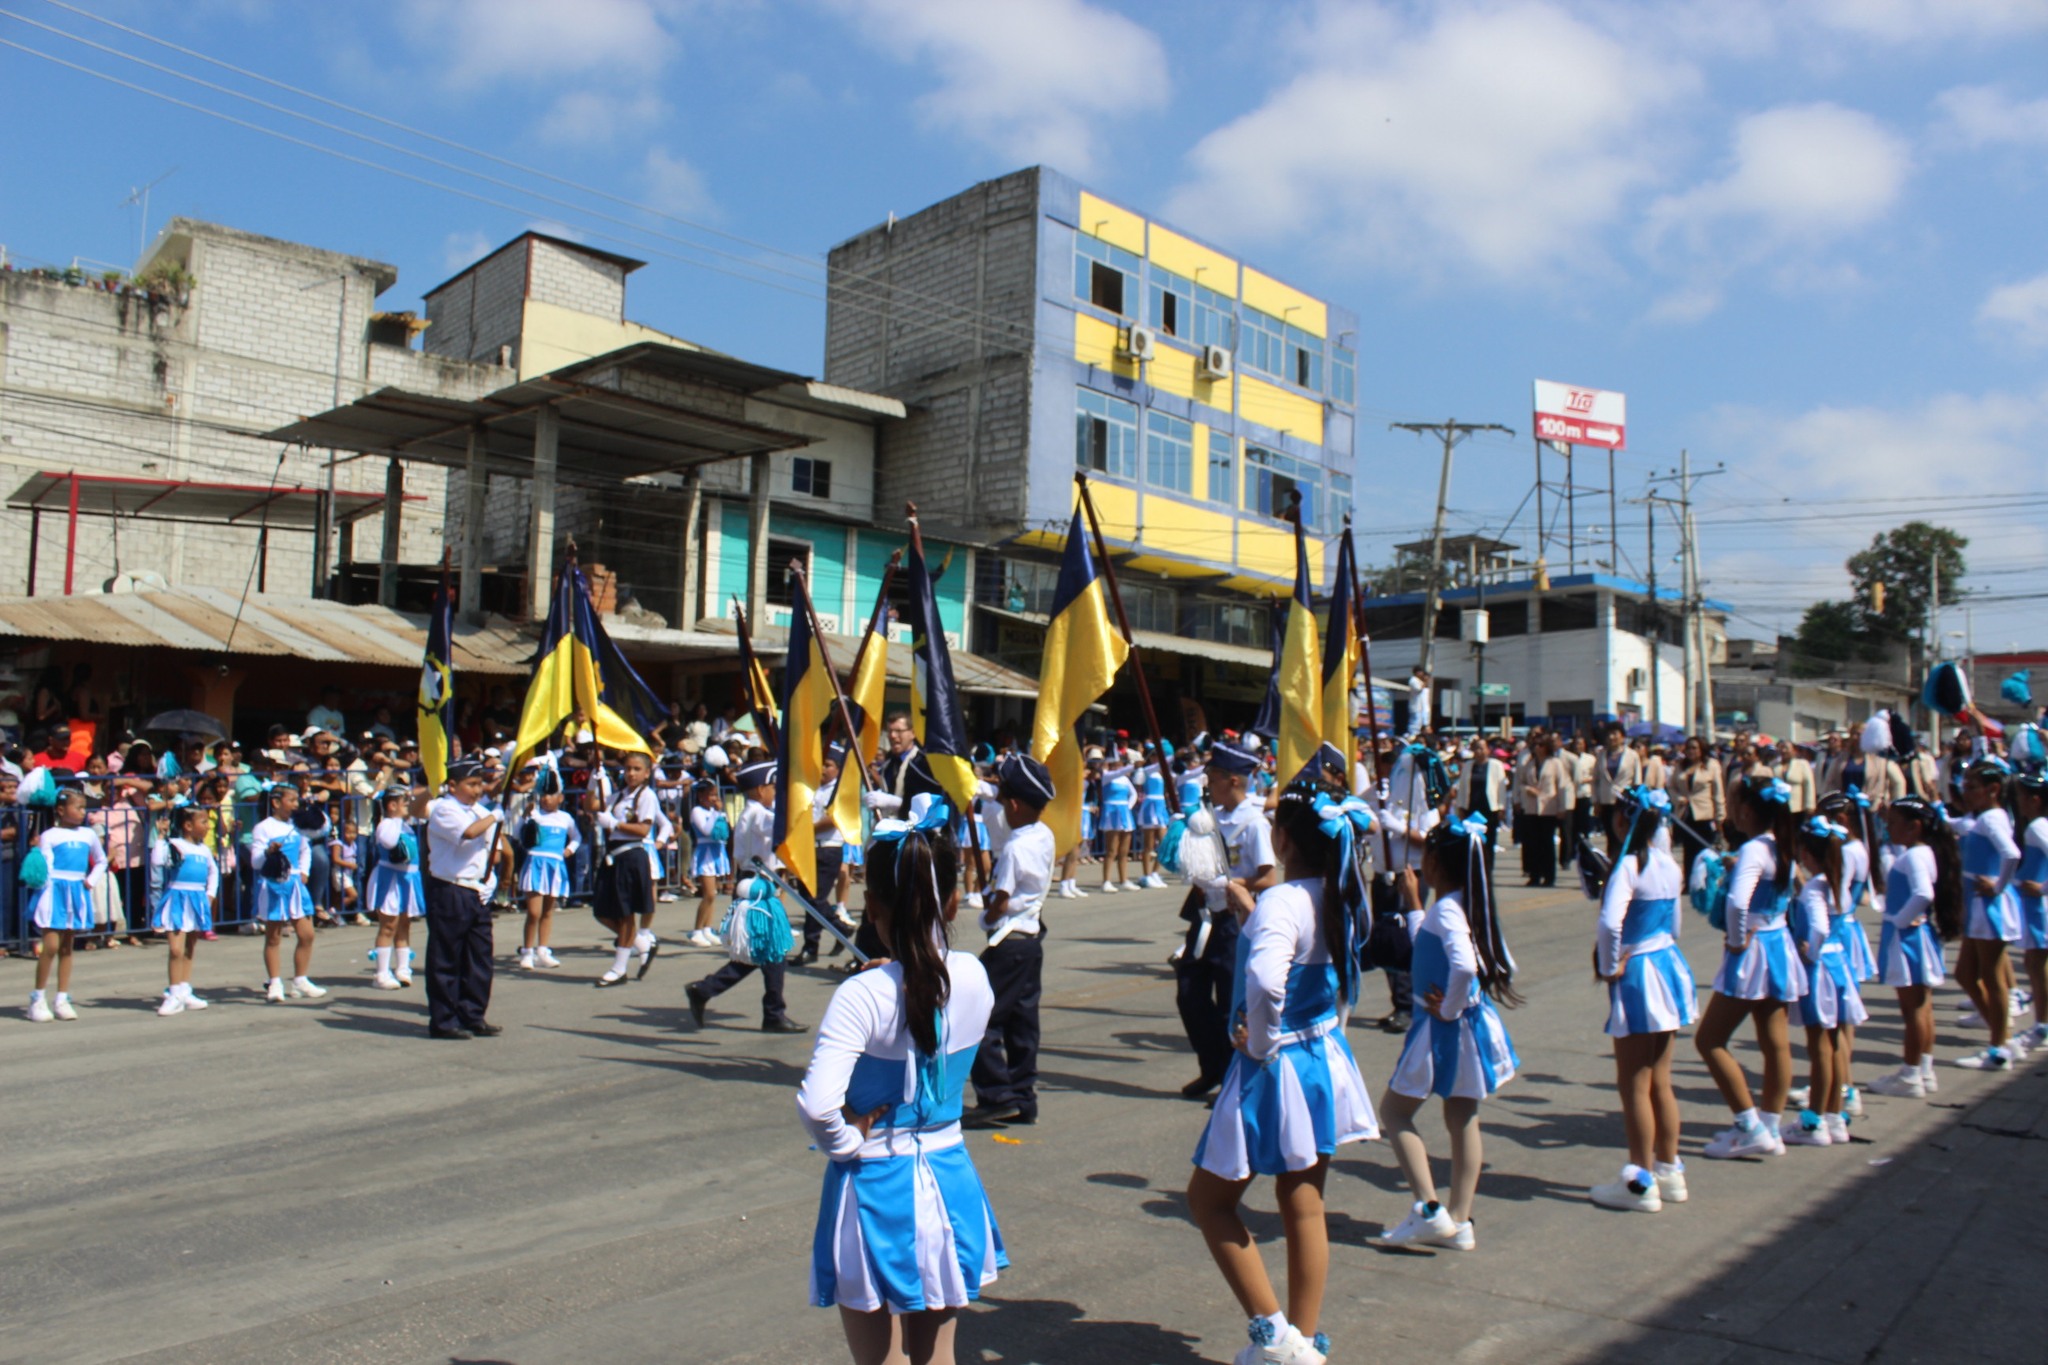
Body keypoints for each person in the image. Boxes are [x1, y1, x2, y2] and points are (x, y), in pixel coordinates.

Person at [796, 808, 1003, 1365]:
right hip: (949, 1175)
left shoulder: (862, 994)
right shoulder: (974, 974)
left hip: (876, 1187)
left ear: (873, 908)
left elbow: (817, 1106)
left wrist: (847, 1141)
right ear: (952, 904)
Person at [1187, 783, 1377, 1365]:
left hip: (1276, 1062)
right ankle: (1306, 1339)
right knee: (1304, 1200)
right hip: (1322, 1053)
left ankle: (1274, 1335)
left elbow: (1268, 981)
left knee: (1209, 1199)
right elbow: (1324, 968)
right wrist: (1253, 915)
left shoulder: (1284, 902)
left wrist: (1260, 1042)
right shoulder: (1340, 893)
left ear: (1283, 839)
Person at [1379, 814, 1521, 1251]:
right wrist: (1414, 904)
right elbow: (1492, 960)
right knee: (1462, 1117)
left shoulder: (1447, 909)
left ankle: (1428, 1209)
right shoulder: (1468, 903)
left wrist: (1450, 1007)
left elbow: (1463, 964)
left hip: (1441, 1029)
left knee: (1394, 1113)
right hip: (1467, 1025)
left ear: (1437, 863)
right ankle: (1459, 1220)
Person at [1586, 787, 1695, 1213]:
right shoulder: (1669, 864)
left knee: (1634, 1083)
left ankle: (1640, 1180)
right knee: (1660, 1080)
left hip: (1639, 974)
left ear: (1621, 821)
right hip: (1668, 964)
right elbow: (1676, 925)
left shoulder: (1629, 866)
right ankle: (1669, 1169)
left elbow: (1610, 924)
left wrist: (1609, 964)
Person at [1694, 777, 1806, 1158]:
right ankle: (1770, 1125)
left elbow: (1738, 902)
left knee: (1709, 1040)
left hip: (1754, 949)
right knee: (1775, 1042)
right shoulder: (1780, 844)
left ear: (1746, 810)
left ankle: (1749, 1123)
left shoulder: (1755, 849)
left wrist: (1737, 938)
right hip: (1778, 944)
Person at [1176, 740, 1276, 1100]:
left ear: (1233, 780)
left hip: (1236, 921)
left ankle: (1234, 1076)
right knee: (1189, 994)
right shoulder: (1209, 817)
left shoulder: (1253, 824)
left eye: (1214, 777)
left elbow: (1268, 877)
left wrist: (1233, 883)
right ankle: (1212, 1067)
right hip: (1205, 917)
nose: (1209, 784)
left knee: (1231, 1003)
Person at [966, 756, 1056, 1129]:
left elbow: (1001, 899)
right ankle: (1022, 1097)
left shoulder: (1016, 848)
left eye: (1005, 803)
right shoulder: (1043, 834)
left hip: (1009, 940)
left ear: (1015, 806)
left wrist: (986, 917)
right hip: (1031, 939)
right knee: (1021, 1022)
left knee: (976, 1017)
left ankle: (996, 1096)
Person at [686, 760, 803, 1032]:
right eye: (773, 787)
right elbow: (784, 825)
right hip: (756, 888)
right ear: (761, 789)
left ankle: (767, 1009)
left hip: (757, 885)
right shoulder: (757, 815)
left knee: (768, 953)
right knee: (766, 951)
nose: (775, 792)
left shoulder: (753, 813)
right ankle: (767, 1011)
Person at [1864, 795, 1962, 1098]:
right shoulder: (1921, 852)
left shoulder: (1914, 857)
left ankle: (1910, 1074)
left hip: (1907, 938)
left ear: (1914, 827)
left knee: (1913, 1010)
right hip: (1915, 936)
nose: (1888, 828)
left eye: (1893, 823)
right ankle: (1923, 1069)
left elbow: (1923, 893)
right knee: (1922, 1007)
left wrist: (1900, 919)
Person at [1783, 816, 1867, 1147]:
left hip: (1819, 970)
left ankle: (1814, 1120)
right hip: (1839, 963)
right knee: (1833, 1043)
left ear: (1806, 853)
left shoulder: (1816, 888)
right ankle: (1833, 1114)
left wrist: (1810, 951)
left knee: (1819, 1047)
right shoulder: (1836, 882)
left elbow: (1817, 927)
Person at [1949, 759, 2024, 1070]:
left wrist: (1997, 885)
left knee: (1993, 980)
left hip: (1988, 907)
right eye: (1964, 786)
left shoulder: (1992, 818)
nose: (1965, 793)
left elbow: (2012, 853)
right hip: (1978, 904)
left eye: (1972, 787)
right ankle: (2003, 1036)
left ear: (1993, 790)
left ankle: (1999, 1049)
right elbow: (1964, 828)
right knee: (1965, 975)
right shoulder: (1987, 817)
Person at [422, 758, 504, 1040]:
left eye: (480, 784)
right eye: (471, 784)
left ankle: (473, 1014)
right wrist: (494, 817)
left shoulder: (478, 810)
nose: (477, 790)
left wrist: (490, 879)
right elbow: (468, 834)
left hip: (476, 890)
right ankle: (444, 1021)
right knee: (446, 957)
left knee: (479, 957)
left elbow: (493, 849)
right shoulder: (445, 809)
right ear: (453, 785)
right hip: (450, 888)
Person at [24, 789, 106, 1022]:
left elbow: (101, 860)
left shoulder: (88, 834)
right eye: (78, 807)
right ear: (61, 810)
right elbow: (46, 865)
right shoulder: (49, 835)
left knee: (67, 948)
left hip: (76, 891)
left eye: (84, 808)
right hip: (54, 891)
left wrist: (90, 881)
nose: (83, 812)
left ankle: (61, 998)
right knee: (50, 946)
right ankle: (38, 998)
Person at [250, 784, 327, 1004]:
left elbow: (305, 850)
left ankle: (300, 980)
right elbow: (256, 862)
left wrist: (304, 871)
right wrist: (268, 852)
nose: (295, 804)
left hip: (295, 884)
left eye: (296, 800)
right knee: (273, 937)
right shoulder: (263, 828)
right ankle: (275, 982)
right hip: (274, 884)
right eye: (291, 800)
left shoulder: (297, 826)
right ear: (276, 802)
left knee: (307, 934)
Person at [591, 751, 663, 987]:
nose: (630, 773)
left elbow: (643, 829)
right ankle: (640, 943)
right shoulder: (619, 795)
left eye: (636, 769)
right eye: (627, 768)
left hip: (631, 855)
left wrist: (615, 823)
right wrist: (594, 781)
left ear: (646, 773)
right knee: (601, 910)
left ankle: (619, 968)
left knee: (626, 913)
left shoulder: (647, 795)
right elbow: (592, 805)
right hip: (613, 857)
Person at [151, 802, 217, 1017]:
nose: (208, 826)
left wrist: (210, 895)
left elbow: (213, 872)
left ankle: (184, 989)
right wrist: (161, 837)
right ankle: (173, 993)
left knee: (189, 947)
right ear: (188, 826)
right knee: (176, 949)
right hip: (177, 899)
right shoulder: (175, 845)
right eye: (204, 822)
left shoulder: (204, 850)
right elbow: (157, 861)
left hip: (197, 899)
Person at [517, 768, 578, 970]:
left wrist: (569, 850)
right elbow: (519, 835)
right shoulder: (535, 815)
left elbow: (577, 837)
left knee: (547, 911)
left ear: (560, 797)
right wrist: (525, 817)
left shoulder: (565, 818)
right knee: (533, 912)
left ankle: (542, 950)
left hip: (555, 865)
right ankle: (527, 951)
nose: (546, 799)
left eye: (551, 795)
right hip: (536, 863)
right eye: (543, 794)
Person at [367, 788, 426, 989]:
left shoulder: (405, 825)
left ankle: (403, 968)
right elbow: (390, 842)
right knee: (388, 926)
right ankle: (381, 974)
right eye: (404, 802)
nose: (408, 806)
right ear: (392, 806)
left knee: (404, 924)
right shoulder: (386, 825)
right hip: (390, 880)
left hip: (407, 880)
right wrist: (398, 819)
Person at [2012, 774, 2048, 1052]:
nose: (2019, 803)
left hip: (2040, 907)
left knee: (2037, 965)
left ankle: (2043, 1026)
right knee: (2033, 963)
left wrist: (2043, 888)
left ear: (2035, 800)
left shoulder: (2036, 827)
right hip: (2035, 905)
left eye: (2022, 798)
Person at [1666, 736, 1725, 879]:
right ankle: (1688, 880)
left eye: (1694, 748)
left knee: (1704, 851)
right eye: (1688, 748)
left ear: (1701, 750)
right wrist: (1678, 798)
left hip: (1705, 814)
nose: (1691, 751)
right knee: (1688, 851)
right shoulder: (1680, 766)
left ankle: (1705, 881)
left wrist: (1720, 816)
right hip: (1685, 814)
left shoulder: (1711, 765)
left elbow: (1718, 792)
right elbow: (1671, 787)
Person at [1098, 749, 1137, 892]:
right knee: (1111, 850)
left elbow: (1133, 794)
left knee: (1124, 850)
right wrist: (1133, 766)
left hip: (1124, 813)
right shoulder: (1107, 776)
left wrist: (1128, 807)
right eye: (1113, 763)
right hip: (1111, 813)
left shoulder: (1125, 779)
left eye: (1118, 763)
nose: (1116, 765)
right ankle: (1106, 881)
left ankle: (1124, 880)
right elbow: (1118, 773)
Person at [1133, 742, 1171, 890]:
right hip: (1150, 807)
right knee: (1148, 845)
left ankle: (1155, 873)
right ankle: (1146, 875)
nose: (1156, 758)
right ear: (1149, 757)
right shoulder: (1147, 770)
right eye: (1154, 755)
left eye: (1158, 755)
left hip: (1160, 806)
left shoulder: (1159, 772)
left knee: (1164, 843)